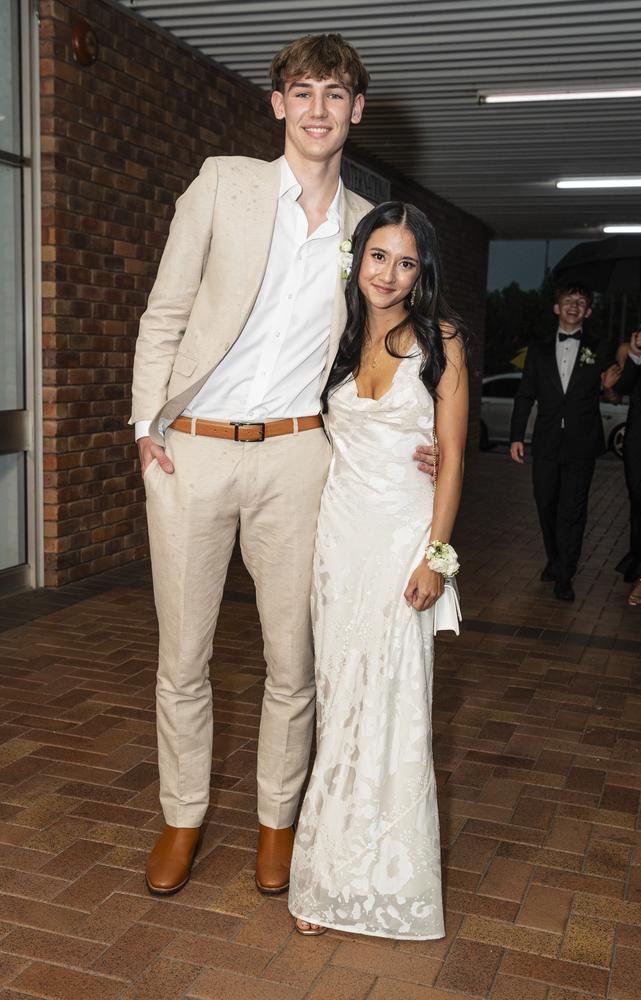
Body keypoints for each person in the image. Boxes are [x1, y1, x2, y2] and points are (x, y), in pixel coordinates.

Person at [129, 35, 438, 899]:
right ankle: (183, 816)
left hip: (302, 458)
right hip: (191, 449)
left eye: (334, 96)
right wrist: (143, 426)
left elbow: (395, 339)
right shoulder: (221, 183)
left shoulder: (366, 227)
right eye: (302, 92)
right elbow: (165, 311)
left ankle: (277, 821)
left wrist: (427, 425)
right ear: (278, 104)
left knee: (291, 660)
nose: (316, 110)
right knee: (183, 656)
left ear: (356, 112)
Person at [288, 202, 468, 939]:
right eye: (378, 257)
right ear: (356, 260)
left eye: (406, 262)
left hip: (401, 544)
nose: (389, 275)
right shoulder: (335, 337)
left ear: (421, 273)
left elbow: (452, 455)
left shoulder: (440, 341)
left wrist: (436, 555)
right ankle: (328, 874)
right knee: (339, 706)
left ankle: (388, 880)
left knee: (394, 706)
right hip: (339, 545)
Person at [509, 283, 619, 602]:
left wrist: (611, 386)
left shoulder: (600, 348)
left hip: (582, 444)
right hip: (545, 442)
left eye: (580, 302)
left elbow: (614, 388)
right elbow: (525, 394)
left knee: (572, 510)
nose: (573, 306)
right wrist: (517, 436)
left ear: (588, 311)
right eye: (567, 301)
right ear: (556, 308)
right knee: (546, 504)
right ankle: (554, 559)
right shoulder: (539, 349)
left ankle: (565, 574)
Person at [612, 309, 641, 606]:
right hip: (639, 434)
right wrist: (636, 355)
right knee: (638, 501)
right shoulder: (631, 348)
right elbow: (621, 391)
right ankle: (638, 558)